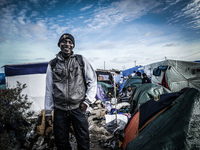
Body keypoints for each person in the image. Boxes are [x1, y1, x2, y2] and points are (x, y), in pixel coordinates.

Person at [44, 33, 97, 150]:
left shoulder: (81, 60)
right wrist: (48, 112)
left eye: (70, 42)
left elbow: (92, 81)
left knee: (83, 140)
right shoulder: (52, 64)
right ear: (59, 45)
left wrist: (87, 102)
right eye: (64, 42)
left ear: (73, 45)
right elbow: (49, 89)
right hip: (60, 110)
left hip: (78, 108)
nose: (67, 44)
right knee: (61, 142)